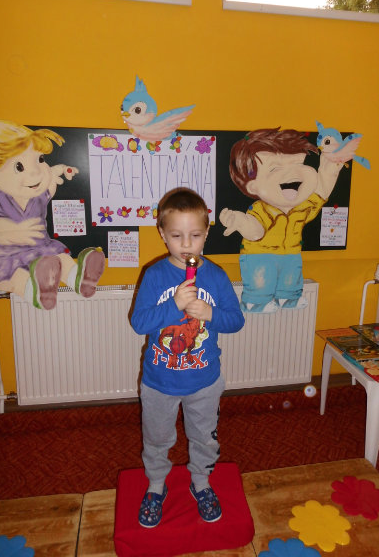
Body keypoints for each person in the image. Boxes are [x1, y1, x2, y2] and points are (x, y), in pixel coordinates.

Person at [131, 187, 245, 528]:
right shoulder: (155, 275)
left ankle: (201, 481)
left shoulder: (217, 276)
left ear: (206, 233)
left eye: (195, 235)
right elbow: (139, 323)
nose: (186, 245)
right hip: (159, 380)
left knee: (204, 436)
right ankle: (156, 485)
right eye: (176, 236)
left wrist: (210, 313)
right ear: (162, 234)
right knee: (157, 438)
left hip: (204, 380)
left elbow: (236, 321)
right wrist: (174, 305)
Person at [220, 127, 349, 313]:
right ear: (253, 186)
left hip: (291, 253)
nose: (293, 173)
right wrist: (240, 222)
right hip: (260, 255)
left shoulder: (301, 207)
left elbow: (321, 191)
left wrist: (330, 168)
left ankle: (288, 297)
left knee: (291, 276)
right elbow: (256, 231)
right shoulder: (262, 209)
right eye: (275, 168)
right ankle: (256, 301)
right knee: (261, 279)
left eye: (298, 163)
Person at [0, 120, 105, 309]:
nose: (36, 173)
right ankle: (38, 292)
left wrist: (61, 169)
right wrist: (14, 230)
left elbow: (49, 178)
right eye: (19, 167)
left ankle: (80, 280)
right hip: (5, 257)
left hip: (41, 252)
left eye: (40, 159)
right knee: (15, 276)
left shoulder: (38, 195)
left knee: (60, 259)